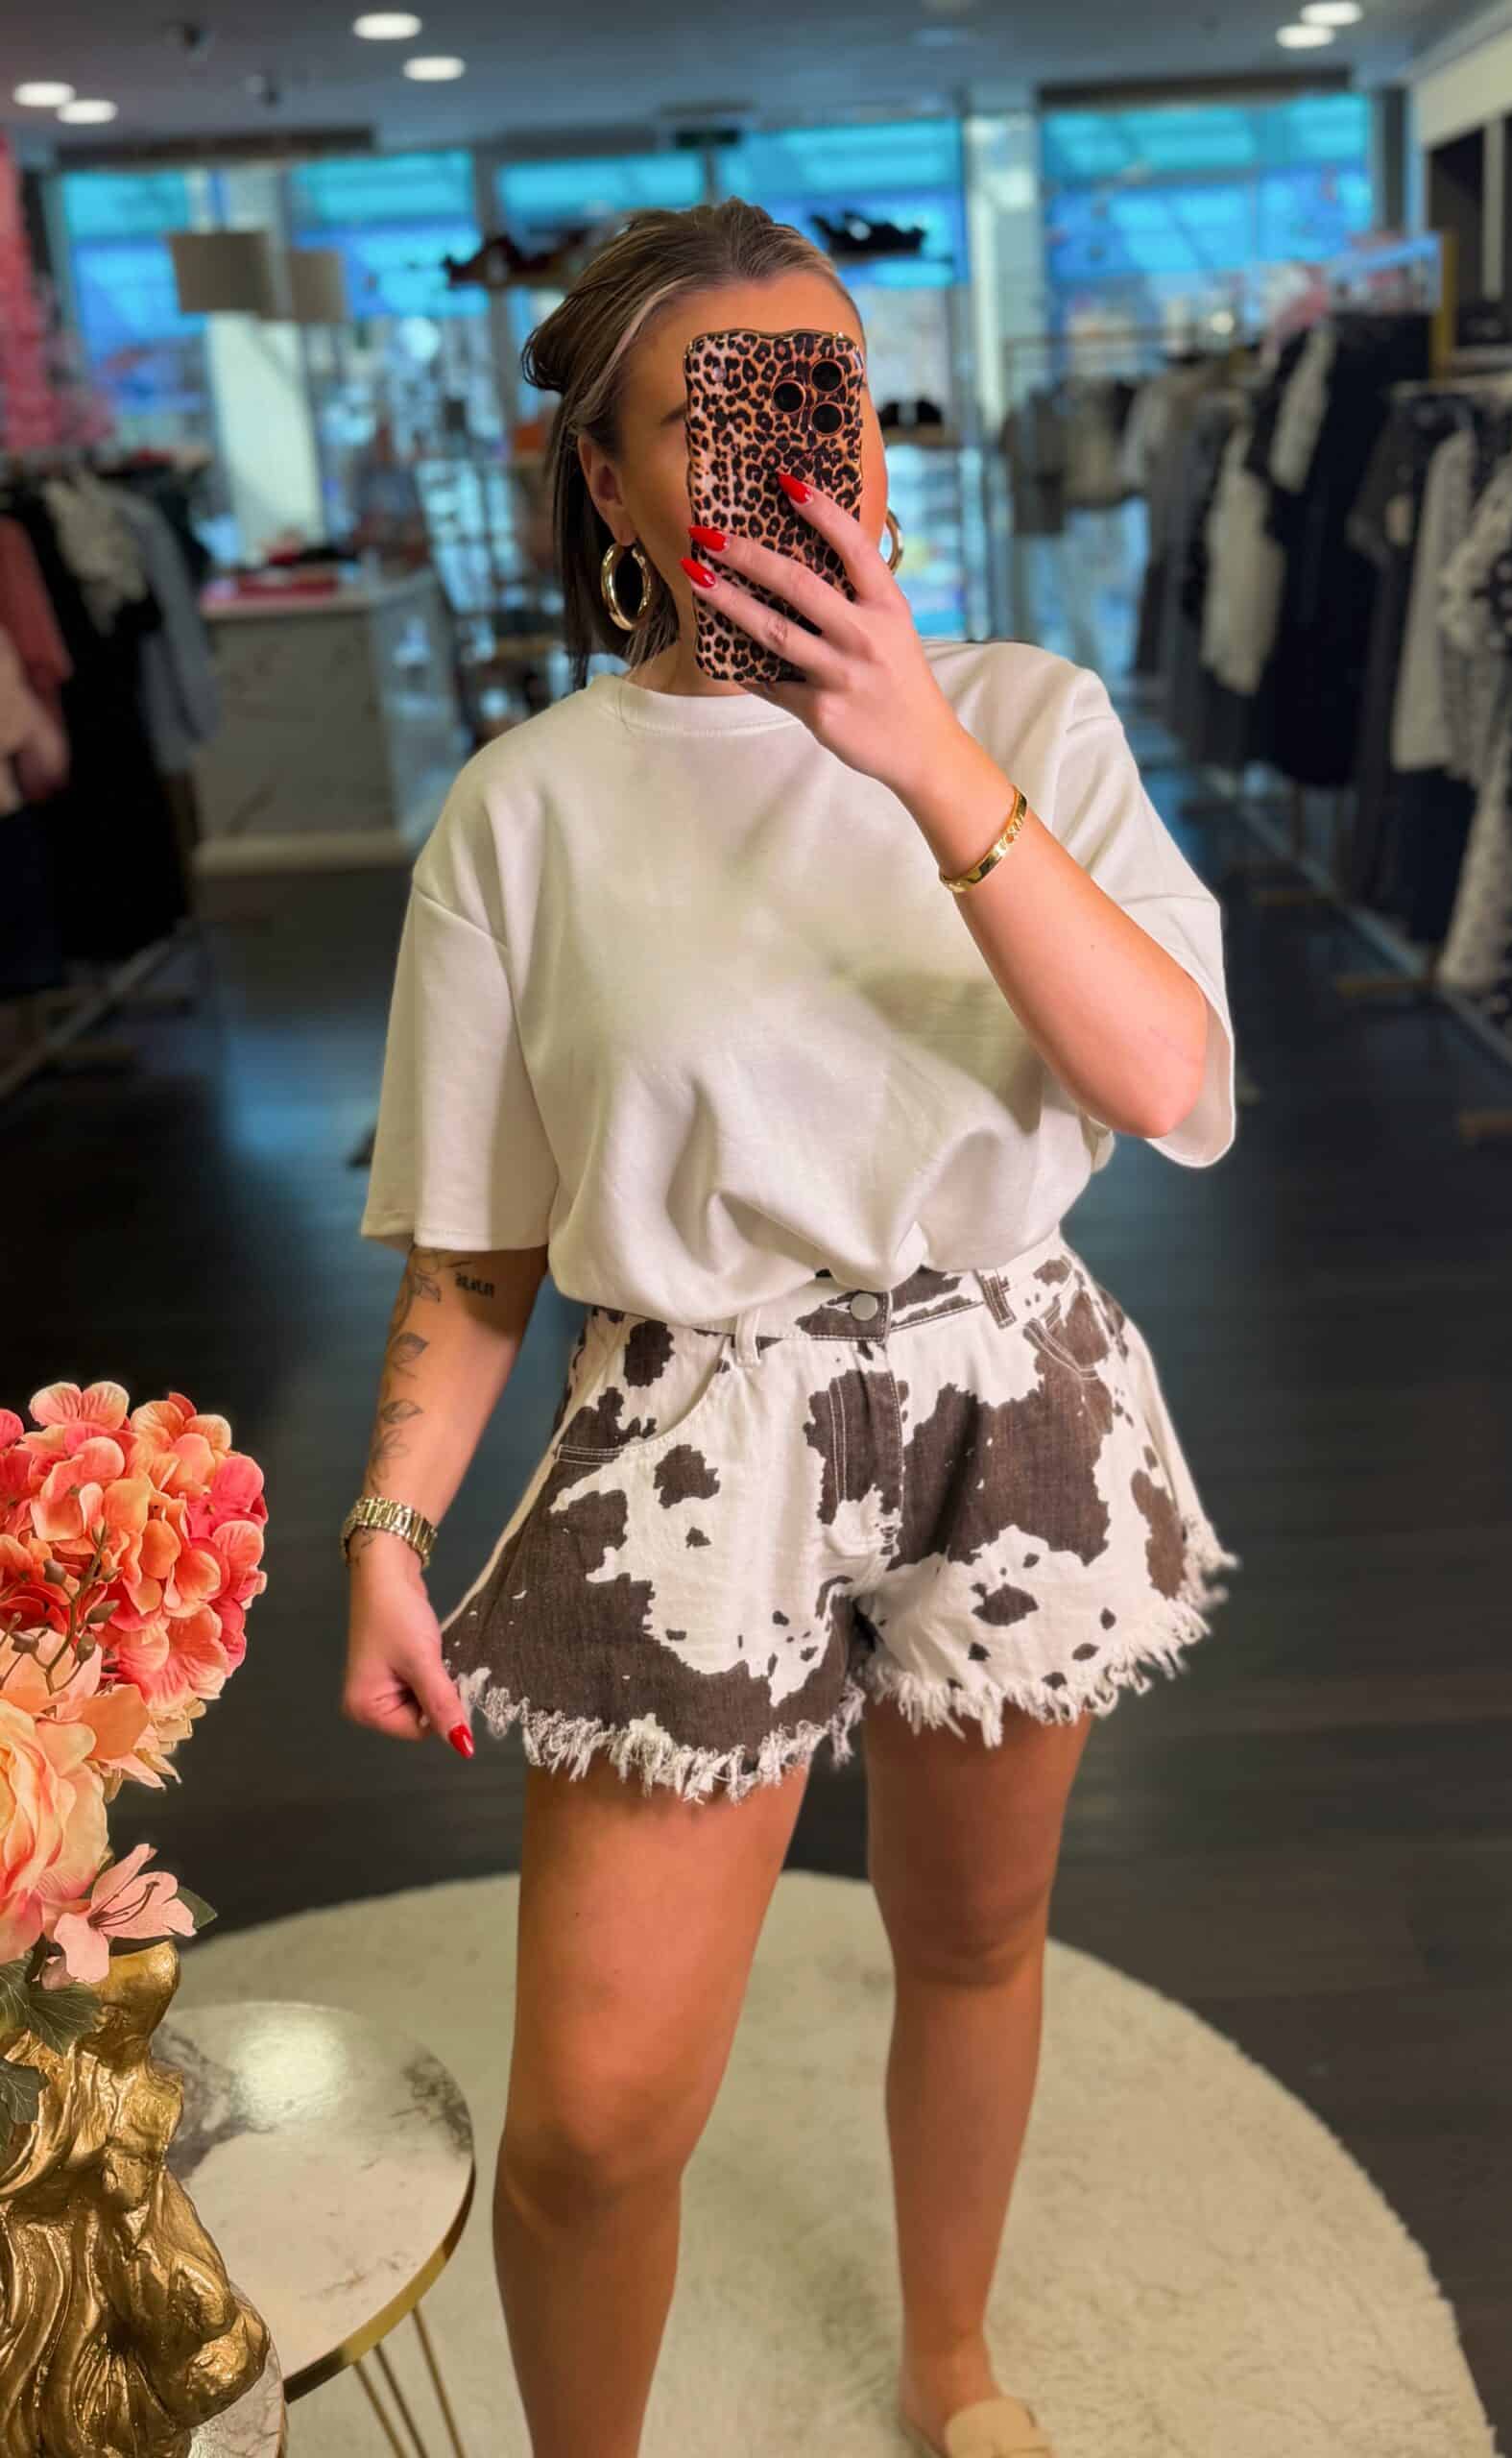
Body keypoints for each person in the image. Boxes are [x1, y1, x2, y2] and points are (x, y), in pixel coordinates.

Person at [340, 198, 1239, 2458]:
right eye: (723, 412)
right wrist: (388, 1521)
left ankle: (950, 2352)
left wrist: (919, 750)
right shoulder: (527, 810)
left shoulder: (1025, 718)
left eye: (829, 392)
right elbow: (475, 1245)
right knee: (593, 2119)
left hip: (1008, 1392)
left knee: (976, 1930)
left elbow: (1169, 1079)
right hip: (692, 1428)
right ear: (611, 481)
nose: (799, 450)